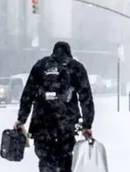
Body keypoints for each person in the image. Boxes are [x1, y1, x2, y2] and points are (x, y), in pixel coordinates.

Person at [14, 41, 95, 172]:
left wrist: (21, 119)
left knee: (45, 161)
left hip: (42, 125)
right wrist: (87, 125)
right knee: (66, 160)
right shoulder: (76, 67)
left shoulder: (41, 66)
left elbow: (28, 94)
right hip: (66, 127)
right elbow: (86, 98)